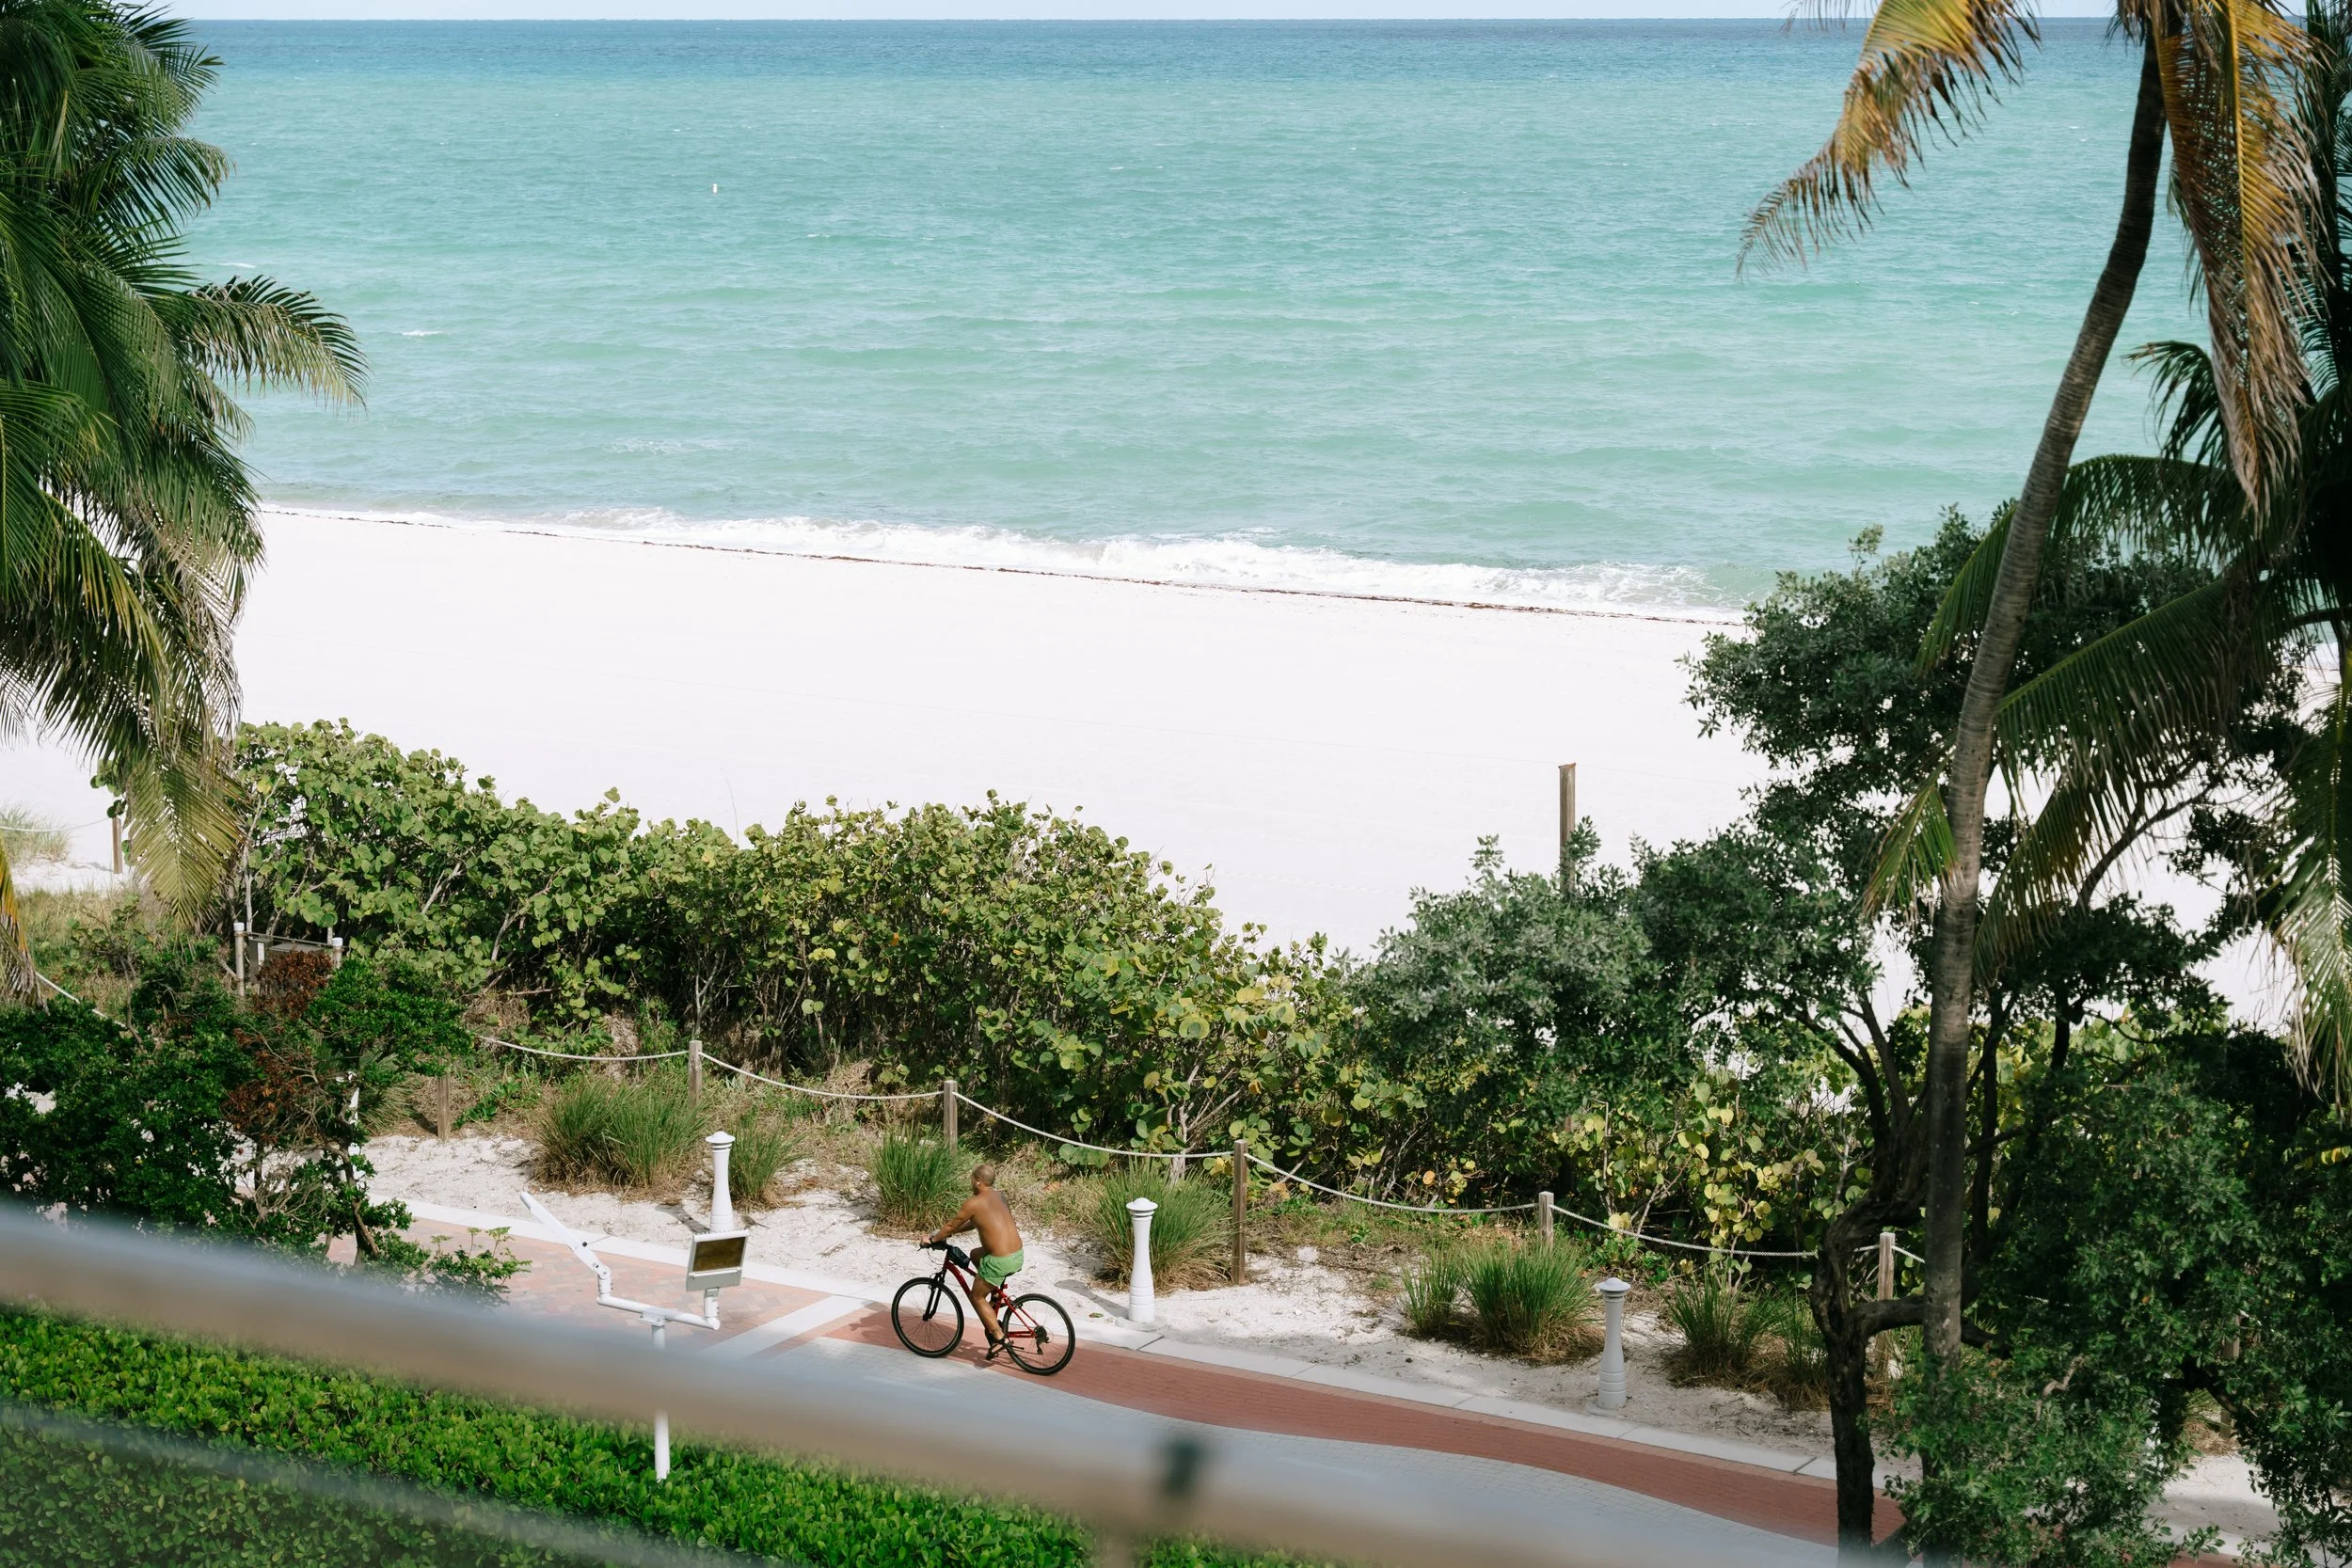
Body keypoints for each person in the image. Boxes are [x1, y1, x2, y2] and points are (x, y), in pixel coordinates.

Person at [925, 1163, 1025, 1359]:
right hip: (1017, 1254)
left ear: (978, 1182)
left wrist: (932, 1239)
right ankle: (997, 1295)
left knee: (976, 1297)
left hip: (1000, 1261)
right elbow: (974, 1222)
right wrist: (950, 1233)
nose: (971, 1183)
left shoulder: (973, 1202)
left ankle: (999, 1338)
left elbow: (952, 1224)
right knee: (975, 1254)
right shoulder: (1000, 1196)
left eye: (972, 1180)